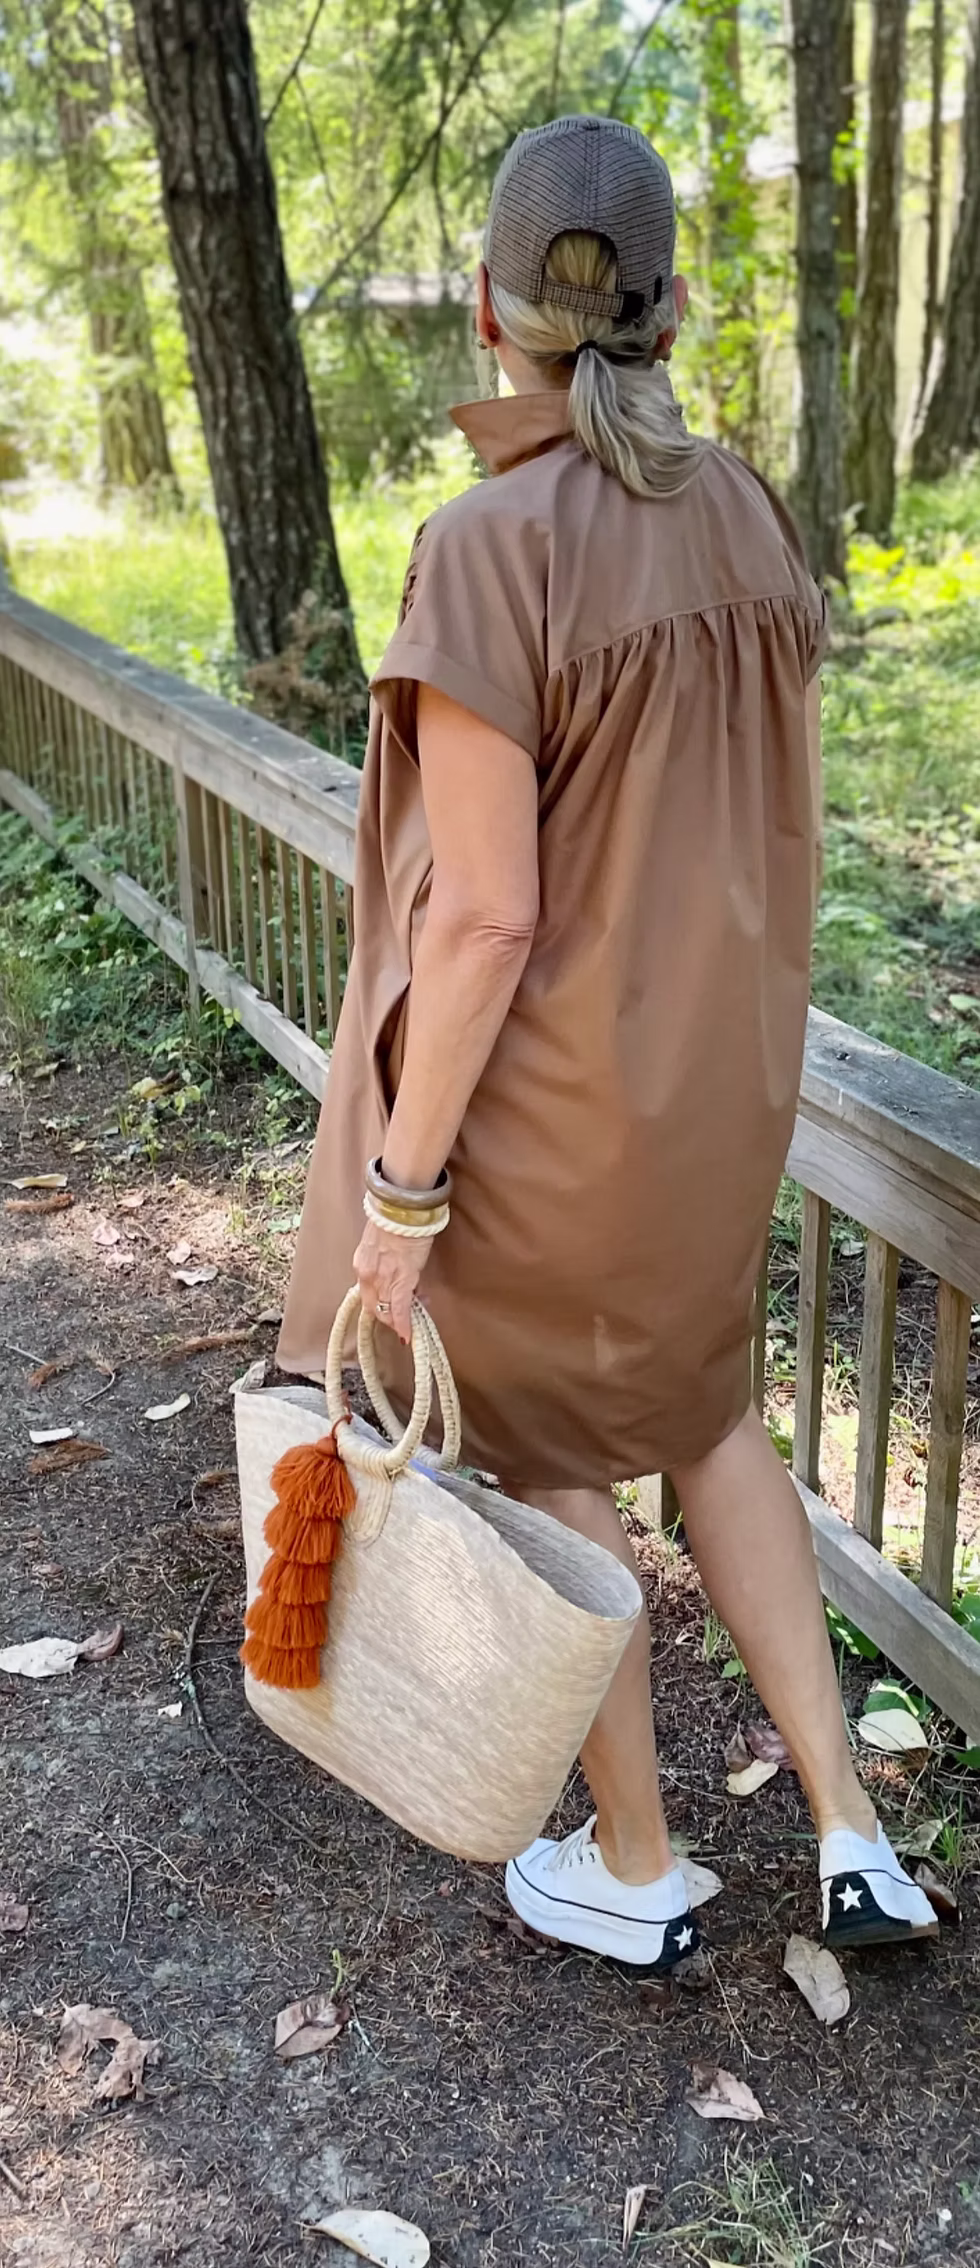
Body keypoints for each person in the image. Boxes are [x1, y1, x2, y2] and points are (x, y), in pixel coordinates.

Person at [278, 116, 937, 1969]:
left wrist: (403, 1193)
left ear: (492, 309)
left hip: (548, 1112)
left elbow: (485, 917)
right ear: (668, 306)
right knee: (710, 1420)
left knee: (558, 1446)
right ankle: (853, 1832)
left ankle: (639, 1861)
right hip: (718, 1098)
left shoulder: (488, 549)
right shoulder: (749, 514)